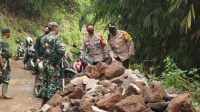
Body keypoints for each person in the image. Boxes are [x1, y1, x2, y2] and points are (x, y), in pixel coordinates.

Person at [40, 22, 65, 105]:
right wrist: (55, 60)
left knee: (45, 82)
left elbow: (42, 50)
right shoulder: (56, 39)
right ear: (55, 29)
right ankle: (49, 105)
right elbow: (62, 51)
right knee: (53, 84)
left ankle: (43, 103)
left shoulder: (43, 38)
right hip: (53, 65)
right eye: (57, 28)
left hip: (45, 64)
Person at [0, 28, 13, 99]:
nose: (9, 34)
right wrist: (2, 65)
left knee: (6, 77)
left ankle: (4, 94)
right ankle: (4, 94)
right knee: (2, 77)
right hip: (2, 64)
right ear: (6, 33)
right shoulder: (1, 42)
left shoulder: (5, 41)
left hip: (5, 63)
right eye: (9, 33)